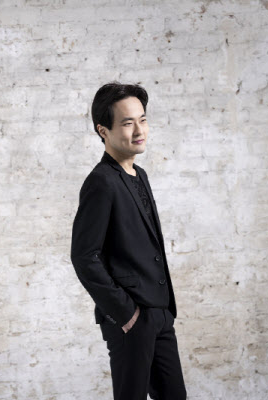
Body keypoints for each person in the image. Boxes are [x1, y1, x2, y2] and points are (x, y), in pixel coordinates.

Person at [70, 82, 187, 399]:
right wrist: (126, 314)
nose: (139, 130)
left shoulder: (140, 175)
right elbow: (84, 256)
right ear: (103, 130)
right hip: (131, 319)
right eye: (127, 123)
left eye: (143, 120)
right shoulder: (101, 182)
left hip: (160, 313)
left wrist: (161, 312)